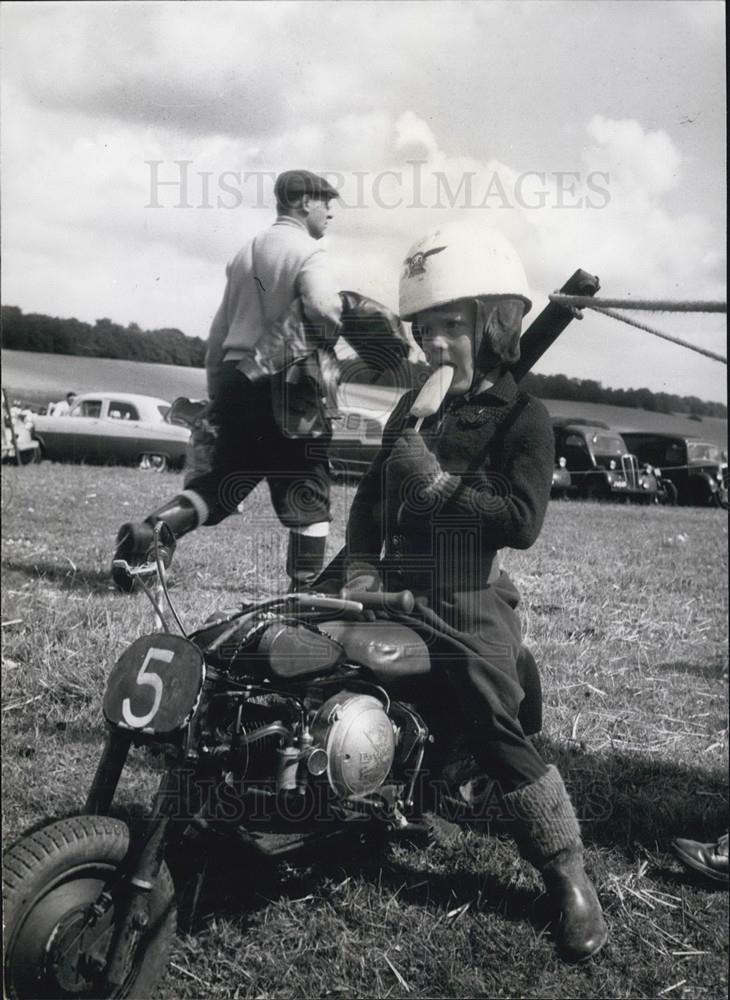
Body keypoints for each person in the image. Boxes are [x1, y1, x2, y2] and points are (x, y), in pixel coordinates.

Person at [339, 220, 608, 963]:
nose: (434, 345)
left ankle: (565, 872)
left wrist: (438, 485)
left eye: (451, 327)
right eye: (424, 330)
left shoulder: (525, 418)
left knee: (491, 719)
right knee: (309, 652)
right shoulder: (413, 409)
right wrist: (358, 566)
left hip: (468, 596)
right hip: (395, 581)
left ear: (493, 326)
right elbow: (370, 499)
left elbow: (521, 521)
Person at [112, 169, 344, 592]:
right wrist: (339, 333)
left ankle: (152, 533)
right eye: (326, 201)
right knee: (307, 484)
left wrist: (220, 395)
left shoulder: (245, 254)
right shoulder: (309, 252)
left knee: (226, 478)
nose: (331, 211)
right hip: (290, 381)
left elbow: (218, 335)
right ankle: (305, 591)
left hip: (238, 379)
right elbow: (322, 305)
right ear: (303, 202)